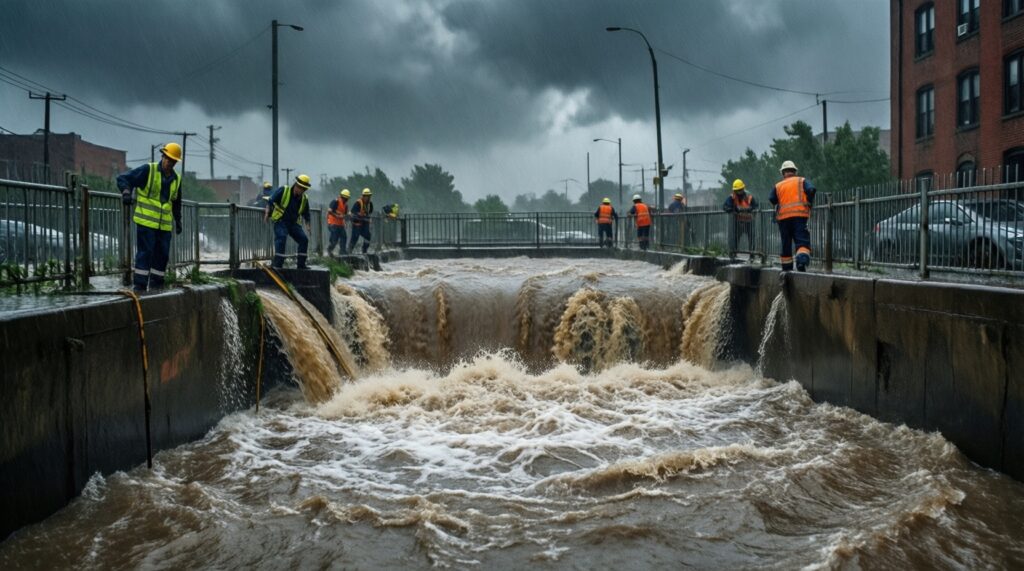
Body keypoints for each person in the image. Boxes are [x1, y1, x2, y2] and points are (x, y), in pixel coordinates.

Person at [117, 142, 183, 292]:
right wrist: (126, 192)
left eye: (172, 161)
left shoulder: (177, 179)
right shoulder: (149, 170)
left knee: (162, 255)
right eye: (167, 159)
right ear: (163, 156)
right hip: (146, 222)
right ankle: (139, 286)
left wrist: (178, 220)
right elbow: (123, 178)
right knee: (145, 253)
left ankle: (156, 285)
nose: (169, 163)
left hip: (164, 226)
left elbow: (177, 201)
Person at [769, 160, 816, 271]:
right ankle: (801, 262)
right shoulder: (802, 181)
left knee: (786, 243)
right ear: (794, 171)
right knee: (801, 240)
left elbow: (772, 199)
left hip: (783, 219)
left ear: (783, 173)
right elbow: (811, 189)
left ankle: (786, 269)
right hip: (799, 216)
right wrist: (809, 201)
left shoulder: (778, 185)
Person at [265, 174, 312, 269]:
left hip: (293, 223)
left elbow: (306, 213)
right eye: (300, 187)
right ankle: (278, 264)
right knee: (281, 237)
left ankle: (301, 265)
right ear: (296, 185)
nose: (301, 190)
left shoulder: (304, 198)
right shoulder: (284, 190)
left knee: (304, 240)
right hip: (280, 220)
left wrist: (308, 225)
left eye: (303, 189)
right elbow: (270, 201)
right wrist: (267, 213)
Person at [723, 179, 759, 254]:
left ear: (743, 189)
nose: (739, 192)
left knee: (751, 239)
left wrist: (750, 209)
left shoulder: (749, 196)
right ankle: (734, 254)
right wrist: (731, 209)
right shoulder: (732, 197)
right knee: (735, 239)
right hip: (738, 222)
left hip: (749, 221)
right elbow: (725, 206)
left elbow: (756, 206)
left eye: (740, 190)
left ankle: (752, 255)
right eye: (737, 190)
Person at [348, 188, 374, 254]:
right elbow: (352, 213)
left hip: (365, 224)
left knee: (368, 236)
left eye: (368, 196)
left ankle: (364, 250)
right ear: (363, 196)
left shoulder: (370, 204)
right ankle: (349, 251)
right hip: (357, 224)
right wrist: (359, 215)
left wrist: (368, 218)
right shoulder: (358, 203)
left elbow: (369, 213)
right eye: (366, 196)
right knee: (355, 237)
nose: (367, 198)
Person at [326, 188, 350, 257]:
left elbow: (345, 215)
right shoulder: (335, 202)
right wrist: (336, 216)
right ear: (342, 197)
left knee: (344, 237)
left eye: (347, 198)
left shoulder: (346, 205)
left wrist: (347, 218)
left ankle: (342, 251)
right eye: (345, 198)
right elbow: (330, 211)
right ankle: (329, 250)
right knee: (334, 240)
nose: (346, 200)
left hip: (340, 224)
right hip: (332, 223)